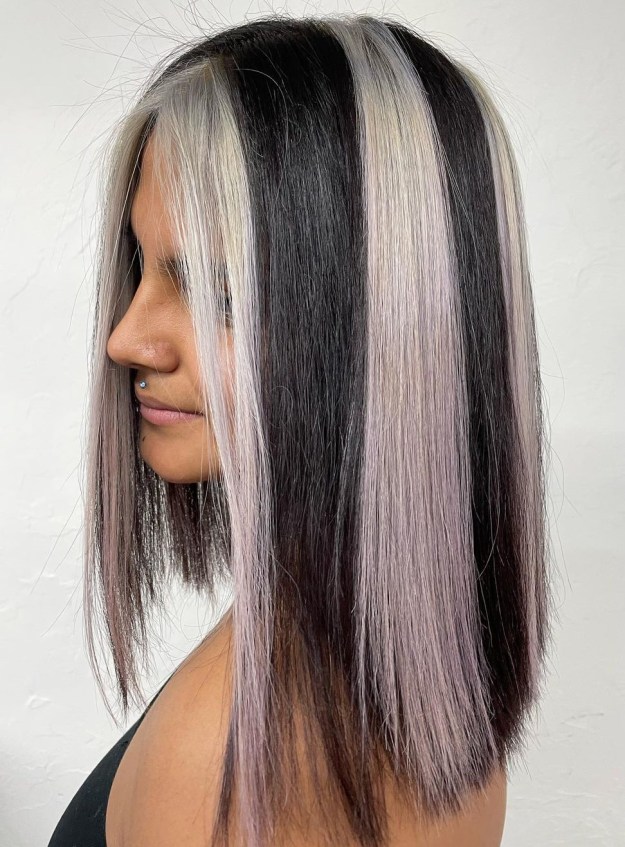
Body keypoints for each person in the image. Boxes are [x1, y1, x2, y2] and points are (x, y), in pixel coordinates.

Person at [47, 13, 553, 847]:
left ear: (382, 333)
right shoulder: (444, 714)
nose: (127, 338)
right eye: (143, 267)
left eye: (220, 293)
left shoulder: (223, 759)